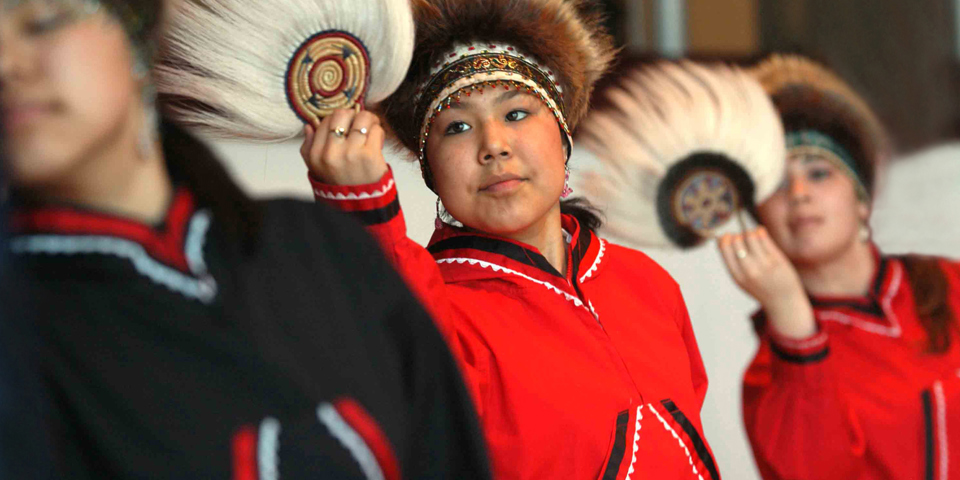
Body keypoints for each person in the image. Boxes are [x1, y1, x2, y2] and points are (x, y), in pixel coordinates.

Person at [0, 0, 490, 478]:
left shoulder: (315, 249)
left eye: (42, 21)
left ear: (137, 30)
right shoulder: (23, 334)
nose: (4, 61)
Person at [301, 0, 721, 478]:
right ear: (431, 171)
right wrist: (361, 213)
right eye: (456, 126)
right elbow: (391, 398)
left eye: (517, 113)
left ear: (563, 136)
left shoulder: (646, 283)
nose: (494, 144)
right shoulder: (439, 307)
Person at [716, 54, 960, 479]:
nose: (798, 193)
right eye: (776, 183)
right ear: (760, 217)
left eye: (819, 172)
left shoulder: (949, 282)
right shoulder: (771, 375)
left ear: (862, 199)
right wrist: (790, 313)